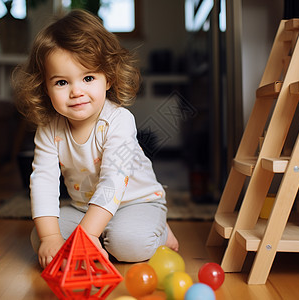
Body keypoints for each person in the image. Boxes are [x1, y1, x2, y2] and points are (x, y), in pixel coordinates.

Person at [13, 9, 179, 269]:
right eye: (61, 83)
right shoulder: (49, 129)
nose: (76, 91)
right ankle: (99, 236)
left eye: (88, 78)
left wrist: (88, 234)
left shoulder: (119, 121)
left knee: (129, 246)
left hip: (135, 202)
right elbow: (43, 180)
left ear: (108, 78)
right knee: (41, 240)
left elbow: (113, 181)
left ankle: (157, 227)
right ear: (45, 87)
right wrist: (50, 236)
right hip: (83, 207)